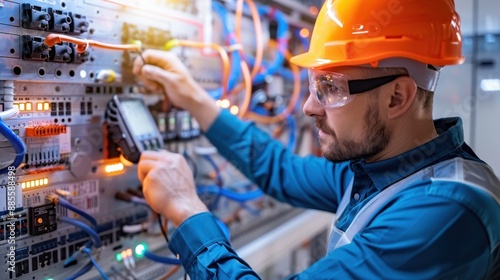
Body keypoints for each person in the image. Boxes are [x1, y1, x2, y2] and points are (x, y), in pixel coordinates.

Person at [133, 0, 500, 279]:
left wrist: (186, 210)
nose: (309, 106)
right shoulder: (385, 166)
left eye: (330, 87)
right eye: (314, 84)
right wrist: (195, 99)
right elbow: (282, 171)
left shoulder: (444, 213)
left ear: (396, 98)